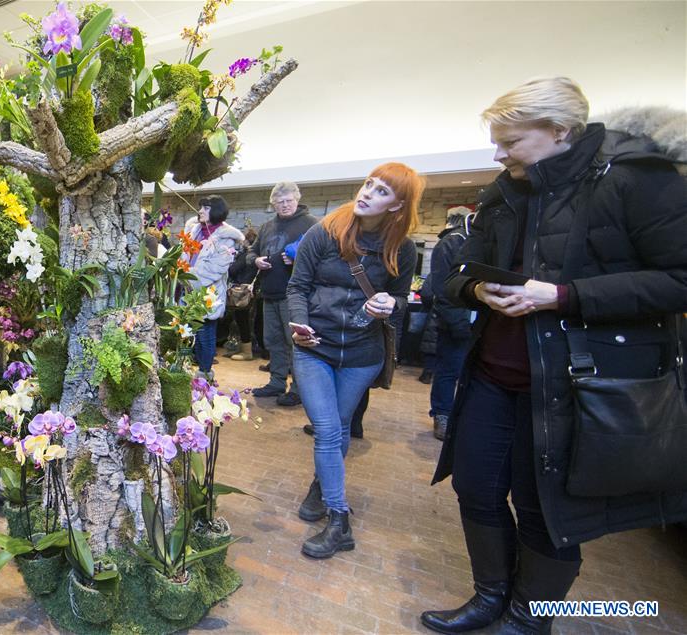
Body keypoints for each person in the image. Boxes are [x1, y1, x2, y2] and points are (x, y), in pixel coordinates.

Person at [421, 77, 687, 635]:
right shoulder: (504, 189)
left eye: (511, 142)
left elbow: (678, 279)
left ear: (559, 131)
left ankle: (529, 617)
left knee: (548, 512)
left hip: (576, 386)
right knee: (475, 488)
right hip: (494, 373)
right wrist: (475, 290)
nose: (499, 154)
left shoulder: (635, 179)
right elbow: (458, 274)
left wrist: (564, 296)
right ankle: (489, 597)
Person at [287, 162, 423, 558]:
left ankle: (320, 484)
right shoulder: (324, 232)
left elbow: (402, 299)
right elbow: (298, 287)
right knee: (328, 429)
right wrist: (299, 324)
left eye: (381, 191)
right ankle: (339, 518)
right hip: (315, 348)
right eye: (368, 184)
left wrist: (390, 303)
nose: (367, 193)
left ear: (397, 206)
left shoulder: (404, 247)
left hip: (364, 354)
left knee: (341, 427)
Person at [247, 182, 316, 406]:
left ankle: (298, 388)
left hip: (296, 296)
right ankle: (277, 382)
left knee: (295, 343)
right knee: (273, 341)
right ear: (273, 204)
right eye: (279, 202)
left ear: (297, 199)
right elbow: (251, 252)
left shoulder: (312, 225)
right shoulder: (267, 227)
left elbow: (323, 259)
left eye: (288, 201)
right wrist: (255, 260)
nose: (284, 205)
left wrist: (298, 260)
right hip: (269, 293)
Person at [419, 208, 474, 440]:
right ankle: (442, 414)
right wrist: (458, 323)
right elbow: (442, 290)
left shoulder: (485, 241)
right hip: (456, 323)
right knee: (448, 371)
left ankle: (463, 417)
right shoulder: (452, 242)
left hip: (480, 322)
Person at [181, 195, 243, 380]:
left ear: (216, 211)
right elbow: (183, 255)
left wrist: (187, 277)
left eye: (205, 208)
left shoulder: (226, 238)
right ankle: (188, 371)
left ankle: (205, 374)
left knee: (205, 335)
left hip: (209, 293)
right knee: (190, 334)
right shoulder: (195, 231)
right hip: (189, 291)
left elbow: (214, 269)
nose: (200, 211)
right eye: (201, 208)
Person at [222, 227, 258, 361]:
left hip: (241, 292)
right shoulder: (254, 256)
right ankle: (243, 348)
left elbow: (233, 270)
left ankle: (247, 352)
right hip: (248, 290)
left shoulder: (246, 256)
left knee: (242, 321)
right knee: (242, 321)